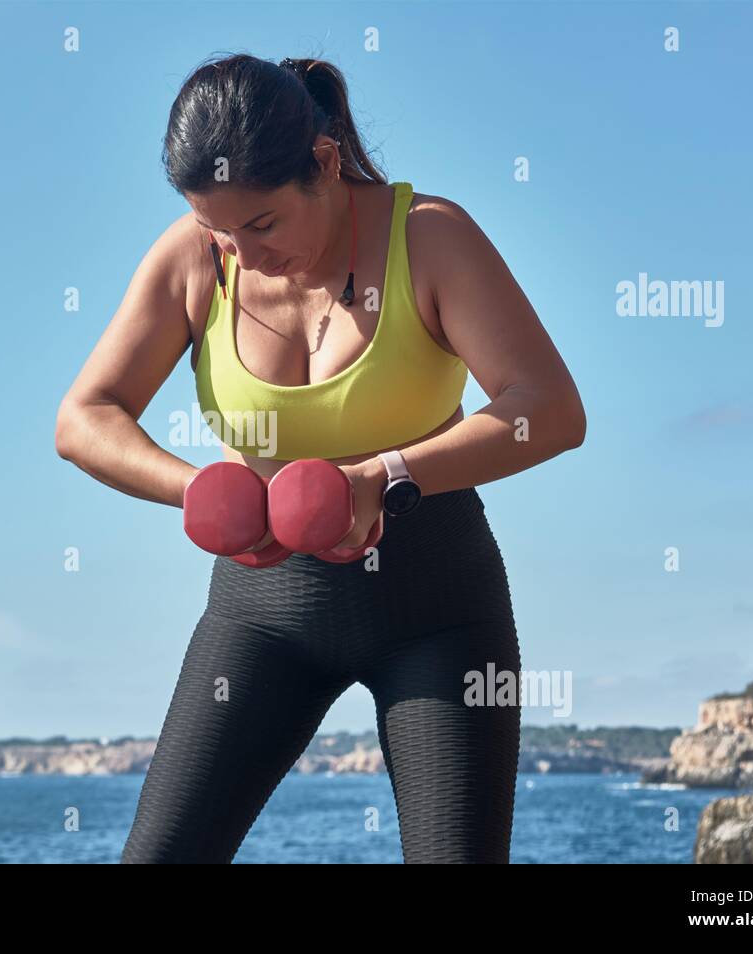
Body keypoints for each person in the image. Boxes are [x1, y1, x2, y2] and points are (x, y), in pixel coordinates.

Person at [54, 53, 586, 863]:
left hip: (436, 610)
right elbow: (84, 417)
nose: (242, 254)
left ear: (325, 164)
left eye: (261, 225)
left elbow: (547, 408)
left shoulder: (429, 237)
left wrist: (385, 478)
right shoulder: (195, 260)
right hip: (263, 617)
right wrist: (197, 489)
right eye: (217, 229)